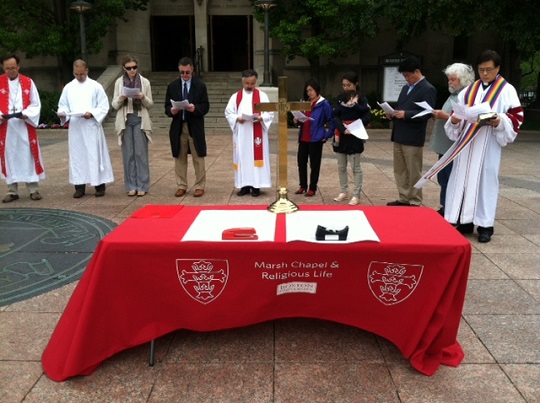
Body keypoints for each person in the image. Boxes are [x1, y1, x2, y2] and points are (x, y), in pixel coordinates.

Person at [445, 50, 524, 243]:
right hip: (467, 145)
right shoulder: (469, 90)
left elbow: (517, 117)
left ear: (498, 68)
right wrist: (455, 120)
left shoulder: (507, 90)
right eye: (481, 70)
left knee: (485, 183)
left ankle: (485, 225)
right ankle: (464, 221)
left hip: (488, 145)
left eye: (489, 69)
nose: (485, 74)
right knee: (462, 180)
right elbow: (458, 113)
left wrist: (499, 120)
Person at [57, 59, 114, 198]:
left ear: (87, 70)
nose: (79, 76)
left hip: (91, 126)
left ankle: (99, 186)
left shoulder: (95, 86)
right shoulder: (69, 88)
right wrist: (62, 113)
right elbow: (63, 105)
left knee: (94, 155)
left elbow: (103, 106)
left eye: (81, 74)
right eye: (76, 74)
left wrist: (92, 113)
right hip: (76, 127)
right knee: (78, 156)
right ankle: (79, 187)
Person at [386, 56, 437, 207]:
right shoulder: (405, 88)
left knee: (413, 170)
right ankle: (403, 197)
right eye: (404, 76)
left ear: (417, 71)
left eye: (408, 75)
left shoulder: (428, 88)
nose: (406, 78)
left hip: (413, 136)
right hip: (399, 133)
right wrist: (393, 113)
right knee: (400, 170)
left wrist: (406, 114)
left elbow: (427, 113)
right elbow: (402, 107)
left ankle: (415, 200)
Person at [429, 63, 475, 215]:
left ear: (463, 80)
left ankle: (453, 208)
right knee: (443, 177)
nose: (450, 82)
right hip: (445, 145)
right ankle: (445, 205)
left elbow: (466, 119)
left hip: (454, 146)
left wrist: (445, 116)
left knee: (452, 178)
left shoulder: (467, 96)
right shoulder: (454, 94)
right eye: (449, 79)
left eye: (453, 79)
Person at [0, 54, 44, 203]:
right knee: (9, 157)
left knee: (28, 156)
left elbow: (35, 103)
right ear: (3, 68)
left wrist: (26, 114)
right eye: (7, 68)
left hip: (24, 127)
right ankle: (12, 190)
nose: (10, 71)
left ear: (18, 66)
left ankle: (33, 189)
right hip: (7, 130)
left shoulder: (28, 82)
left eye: (13, 68)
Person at [224, 69, 274, 197]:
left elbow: (270, 112)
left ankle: (256, 186)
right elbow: (229, 112)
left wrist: (262, 117)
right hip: (242, 134)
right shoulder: (236, 97)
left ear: (256, 81)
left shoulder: (262, 96)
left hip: (257, 134)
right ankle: (244, 185)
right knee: (243, 158)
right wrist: (237, 118)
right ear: (242, 82)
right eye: (247, 83)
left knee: (255, 158)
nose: (249, 86)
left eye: (252, 83)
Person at [165, 57, 209, 198]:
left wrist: (194, 108)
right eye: (182, 72)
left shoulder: (200, 86)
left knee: (198, 157)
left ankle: (200, 186)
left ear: (192, 71)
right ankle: (181, 185)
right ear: (179, 70)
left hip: (194, 126)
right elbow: (166, 106)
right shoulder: (172, 86)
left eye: (187, 72)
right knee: (179, 157)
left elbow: (206, 106)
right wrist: (171, 111)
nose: (185, 75)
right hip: (179, 126)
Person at [112, 55, 154, 197]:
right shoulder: (119, 82)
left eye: (134, 67)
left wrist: (142, 97)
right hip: (125, 121)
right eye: (129, 68)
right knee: (128, 154)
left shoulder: (144, 82)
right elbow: (114, 105)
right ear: (124, 68)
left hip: (140, 119)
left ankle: (142, 185)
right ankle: (131, 185)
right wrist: (121, 97)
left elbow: (150, 105)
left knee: (140, 154)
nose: (132, 70)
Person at [332, 72, 371, 206]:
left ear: (355, 84)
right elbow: (335, 115)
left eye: (349, 85)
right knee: (341, 166)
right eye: (344, 85)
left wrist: (355, 106)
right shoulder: (340, 98)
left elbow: (366, 114)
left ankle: (356, 194)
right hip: (342, 134)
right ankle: (344, 191)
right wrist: (343, 128)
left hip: (355, 134)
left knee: (356, 167)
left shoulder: (361, 98)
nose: (346, 88)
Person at [293, 78, 334, 197]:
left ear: (317, 90)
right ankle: (302, 185)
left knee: (314, 164)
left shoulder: (324, 104)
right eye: (307, 91)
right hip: (304, 137)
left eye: (311, 90)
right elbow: (301, 120)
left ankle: (312, 187)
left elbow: (331, 120)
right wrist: (297, 120)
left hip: (316, 138)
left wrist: (327, 135)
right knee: (301, 162)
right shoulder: (305, 103)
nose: (309, 93)